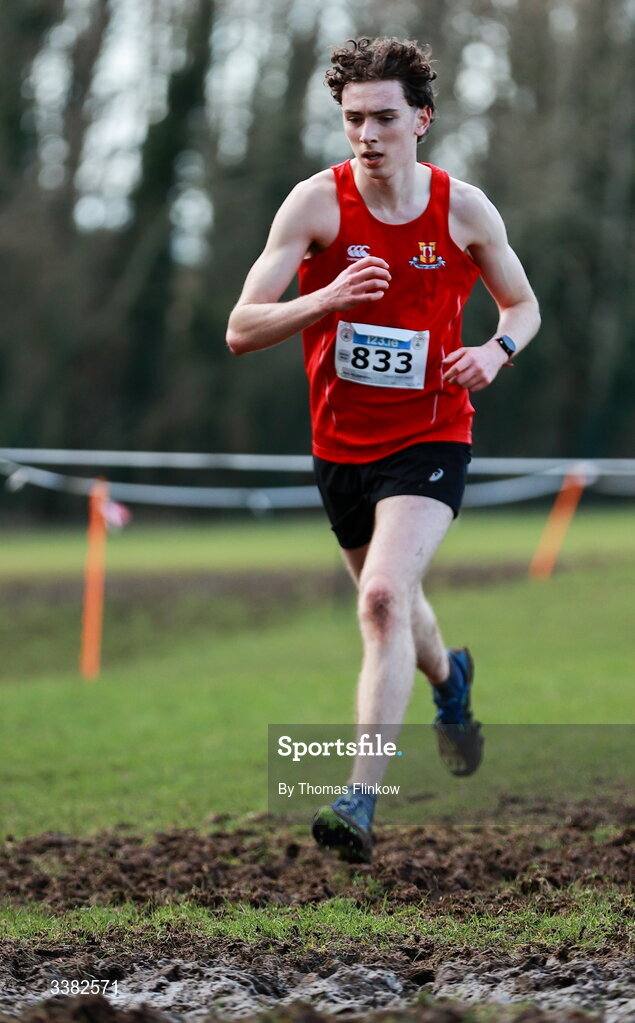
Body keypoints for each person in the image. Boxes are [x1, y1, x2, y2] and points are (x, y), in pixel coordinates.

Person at [226, 37, 540, 863]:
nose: (365, 134)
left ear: (422, 119)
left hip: (432, 432)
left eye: (383, 118)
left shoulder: (463, 208)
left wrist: (494, 353)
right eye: (352, 118)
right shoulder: (313, 206)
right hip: (339, 445)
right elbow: (239, 327)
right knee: (394, 602)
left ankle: (359, 799)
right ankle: (452, 681)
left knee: (379, 603)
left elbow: (522, 305)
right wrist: (325, 296)